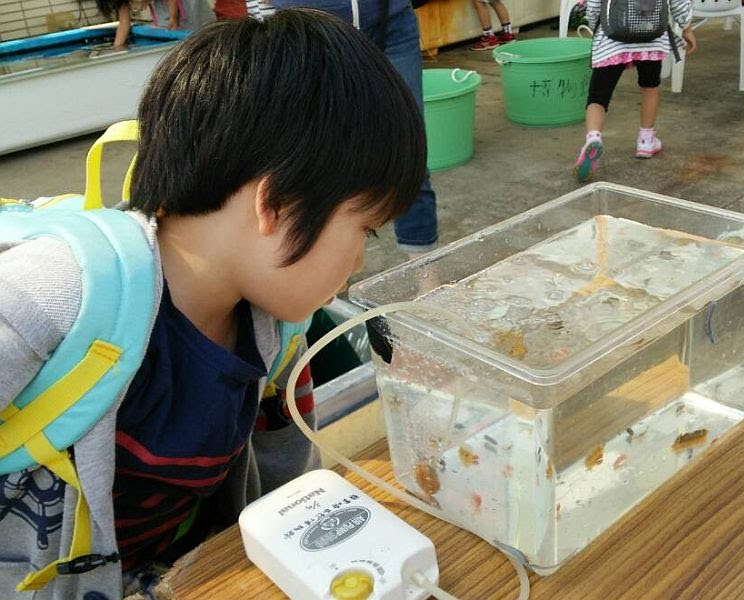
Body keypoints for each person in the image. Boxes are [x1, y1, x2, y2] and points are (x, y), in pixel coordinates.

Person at [0, 9, 426, 599]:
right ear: (276, 205)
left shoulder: (279, 336)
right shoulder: (52, 294)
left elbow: (287, 493)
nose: (358, 262)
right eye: (365, 230)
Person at [267, 0, 439, 255]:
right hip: (310, 31)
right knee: (321, 163)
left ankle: (425, 269)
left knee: (410, 152)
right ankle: (332, 275)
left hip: (391, 20)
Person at [573, 0, 696, 182]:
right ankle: (646, 141)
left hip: (611, 41)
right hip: (651, 39)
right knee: (650, 86)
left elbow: (593, 6)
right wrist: (686, 27)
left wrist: (597, 24)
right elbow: (678, 2)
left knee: (597, 98)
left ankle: (593, 138)